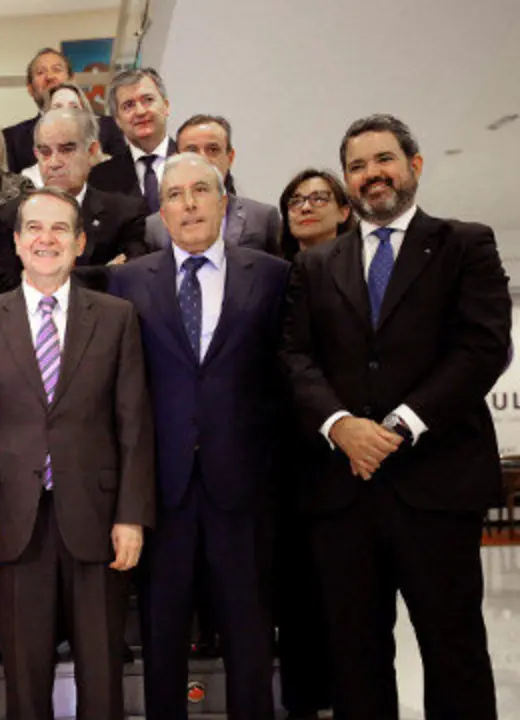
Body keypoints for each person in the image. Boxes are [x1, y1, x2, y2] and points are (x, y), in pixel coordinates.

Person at [281, 114, 510, 719]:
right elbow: (295, 357)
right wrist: (340, 425)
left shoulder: (465, 243)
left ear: (414, 164)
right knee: (355, 655)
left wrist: (401, 424)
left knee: (453, 648)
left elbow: (484, 346)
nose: (371, 174)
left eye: (382, 159)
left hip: (435, 486)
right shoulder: (315, 265)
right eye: (356, 166)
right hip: (343, 492)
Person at [0, 187, 155, 719]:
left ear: (81, 241)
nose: (46, 239)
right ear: (16, 242)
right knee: (25, 677)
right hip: (13, 524)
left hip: (98, 518)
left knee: (103, 676)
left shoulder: (116, 317)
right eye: (34, 229)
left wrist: (132, 514)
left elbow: (133, 423)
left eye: (60, 228)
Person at [109, 154, 289, 720]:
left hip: (245, 488)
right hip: (164, 489)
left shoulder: (273, 275)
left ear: (223, 201)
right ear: (161, 211)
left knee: (249, 635)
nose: (188, 204)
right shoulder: (128, 280)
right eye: (176, 195)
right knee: (162, 638)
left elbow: (286, 378)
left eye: (200, 192)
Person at [271, 167, 354, 719]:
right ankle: (304, 703)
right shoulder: (274, 276)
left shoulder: (365, 276)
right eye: (295, 200)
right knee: (294, 596)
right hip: (284, 458)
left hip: (346, 453)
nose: (306, 207)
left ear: (344, 210)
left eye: (319, 198)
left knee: (348, 599)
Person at [0, 109, 147, 295]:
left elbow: (132, 277)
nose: (54, 162)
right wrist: (103, 273)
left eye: (66, 150)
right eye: (45, 152)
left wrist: (41, 275)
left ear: (92, 151)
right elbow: (4, 289)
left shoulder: (124, 213)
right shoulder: (11, 214)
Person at [145, 115, 281, 254]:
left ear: (230, 157)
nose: (203, 158)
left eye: (213, 150)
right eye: (192, 151)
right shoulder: (155, 226)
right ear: (176, 158)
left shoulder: (262, 217)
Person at [2, 49, 125, 174]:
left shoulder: (110, 127)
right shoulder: (12, 139)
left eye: (57, 69)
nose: (50, 77)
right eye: (40, 72)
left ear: (72, 80)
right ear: (30, 89)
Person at [87, 67, 177, 212]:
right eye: (128, 105)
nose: (140, 111)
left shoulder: (195, 160)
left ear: (166, 106)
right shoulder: (100, 178)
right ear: (117, 121)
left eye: (148, 100)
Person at [19, 81, 100, 187]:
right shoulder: (31, 177)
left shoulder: (109, 168)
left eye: (73, 107)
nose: (65, 112)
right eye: (58, 107)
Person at [278, 168, 355, 261]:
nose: (305, 208)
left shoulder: (362, 268)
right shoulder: (276, 272)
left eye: (319, 199)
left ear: (344, 212)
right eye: (296, 202)